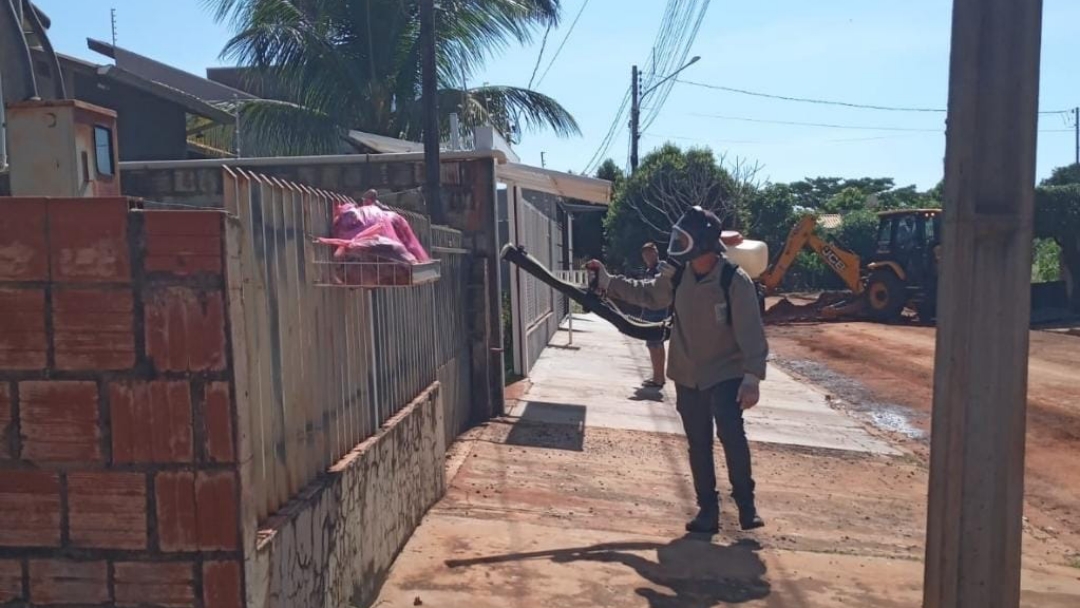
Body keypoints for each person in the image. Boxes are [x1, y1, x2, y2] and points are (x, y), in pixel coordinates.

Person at [587, 206, 768, 533]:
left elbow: (752, 334)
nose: (677, 245)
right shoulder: (679, 274)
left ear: (702, 243)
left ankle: (746, 504)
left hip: (726, 371)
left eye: (683, 238)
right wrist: (608, 281)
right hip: (688, 372)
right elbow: (650, 295)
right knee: (698, 442)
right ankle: (707, 512)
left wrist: (752, 379)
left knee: (730, 434)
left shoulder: (733, 280)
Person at [637, 242, 668, 388]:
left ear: (656, 253)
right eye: (645, 255)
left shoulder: (659, 269)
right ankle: (659, 377)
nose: (647, 257)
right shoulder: (651, 269)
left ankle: (657, 378)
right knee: (657, 344)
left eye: (650, 254)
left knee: (654, 345)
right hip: (652, 309)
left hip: (656, 311)